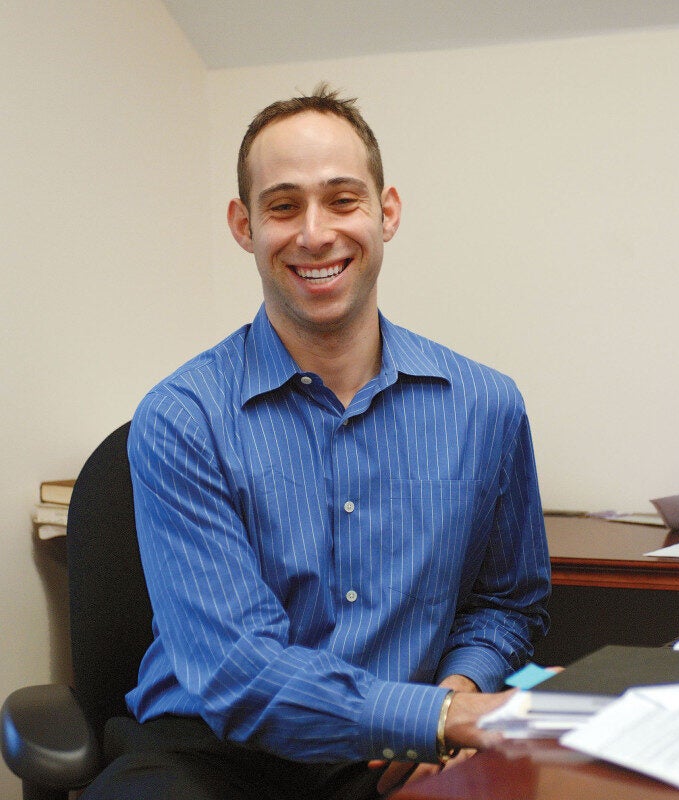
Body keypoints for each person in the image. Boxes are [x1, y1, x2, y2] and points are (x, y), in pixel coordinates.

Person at [83, 84, 550, 799]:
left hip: (402, 754)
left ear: (385, 212)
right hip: (210, 752)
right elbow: (238, 671)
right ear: (243, 226)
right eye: (282, 206)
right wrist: (437, 714)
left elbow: (506, 603)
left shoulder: (485, 405)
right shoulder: (182, 417)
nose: (313, 234)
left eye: (341, 199)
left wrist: (454, 697)